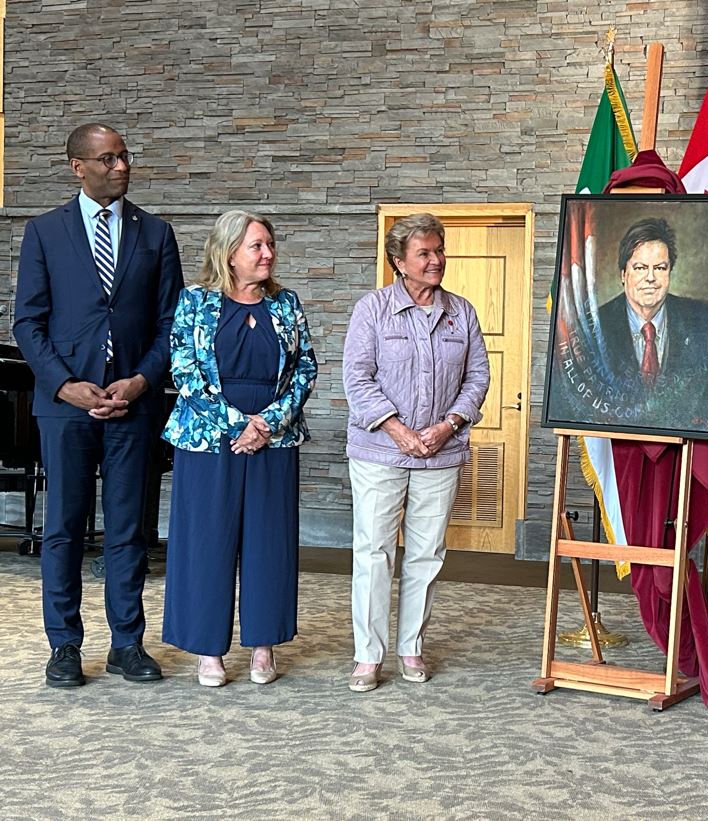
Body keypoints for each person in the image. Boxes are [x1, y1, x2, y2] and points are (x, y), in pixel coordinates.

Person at [13, 123, 183, 688]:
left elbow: (171, 325)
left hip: (133, 404)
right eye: (108, 159)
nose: (121, 167)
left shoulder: (156, 234)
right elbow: (27, 323)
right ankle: (64, 646)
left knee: (129, 529)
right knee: (62, 527)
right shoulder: (44, 233)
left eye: (125, 157)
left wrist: (140, 381)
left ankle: (127, 644)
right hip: (65, 407)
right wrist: (65, 385)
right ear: (77, 167)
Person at [160, 210, 317, 687]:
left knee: (269, 542)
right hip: (208, 440)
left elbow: (305, 367)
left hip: (274, 439)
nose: (268, 254)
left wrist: (266, 424)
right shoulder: (194, 302)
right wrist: (236, 425)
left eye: (269, 244)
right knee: (206, 542)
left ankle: (263, 646)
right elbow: (185, 372)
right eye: (257, 246)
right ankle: (208, 650)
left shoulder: (286, 303)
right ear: (229, 252)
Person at [342, 213, 489, 691]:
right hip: (379, 452)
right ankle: (368, 655)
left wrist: (449, 425)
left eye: (439, 251)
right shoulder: (373, 310)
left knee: (425, 554)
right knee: (374, 551)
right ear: (398, 261)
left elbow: (477, 378)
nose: (435, 261)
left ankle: (411, 646)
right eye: (424, 253)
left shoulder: (461, 313)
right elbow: (357, 378)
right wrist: (397, 429)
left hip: (440, 454)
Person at [596, 217, 708, 405]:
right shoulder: (595, 327)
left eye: (660, 268)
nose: (651, 278)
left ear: (669, 272)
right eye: (640, 268)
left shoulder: (704, 321)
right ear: (623, 274)